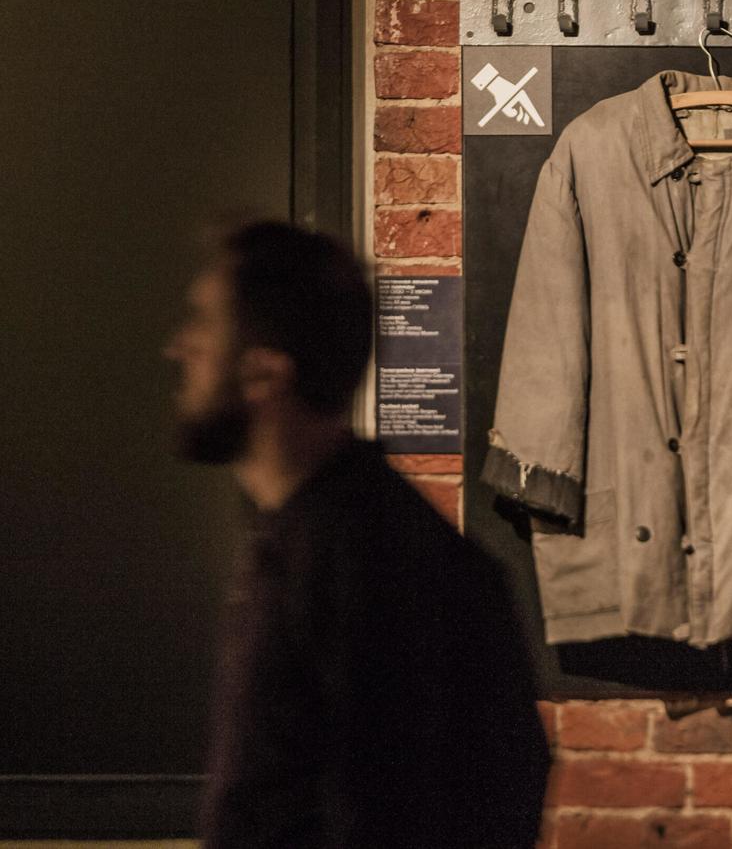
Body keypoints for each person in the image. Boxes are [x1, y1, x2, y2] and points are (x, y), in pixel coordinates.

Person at [165, 220, 551, 847]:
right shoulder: (312, 537)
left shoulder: (375, 565)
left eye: (205, 325)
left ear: (264, 373)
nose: (180, 349)